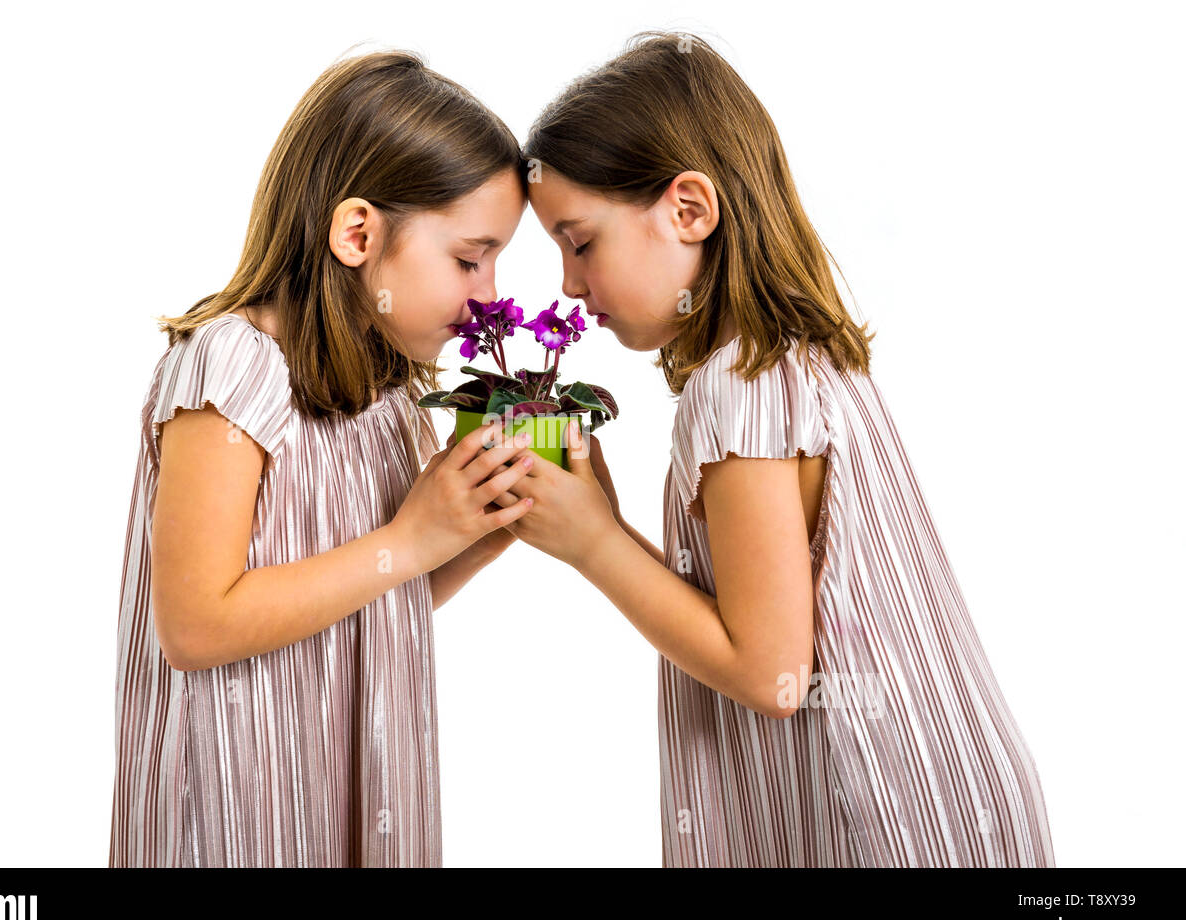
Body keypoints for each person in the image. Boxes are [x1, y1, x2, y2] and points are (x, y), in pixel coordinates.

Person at [490, 31, 1057, 867]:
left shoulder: (738, 389)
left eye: (580, 242)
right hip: (948, 804)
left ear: (690, 209)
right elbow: (765, 622)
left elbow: (765, 672)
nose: (570, 285)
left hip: (883, 819)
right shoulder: (791, 357)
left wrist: (594, 544)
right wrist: (605, 524)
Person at [109, 49, 535, 867]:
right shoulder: (234, 366)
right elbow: (195, 624)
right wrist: (412, 539)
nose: (490, 294)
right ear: (356, 234)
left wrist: (473, 533)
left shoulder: (388, 388)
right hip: (243, 799)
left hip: (351, 776)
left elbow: (372, 597)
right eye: (469, 258)